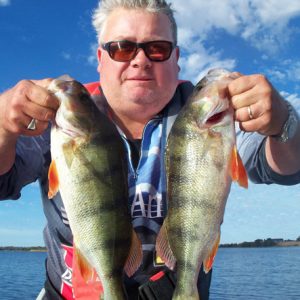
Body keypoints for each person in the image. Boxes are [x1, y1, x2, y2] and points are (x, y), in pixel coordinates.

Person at [1, 0, 300, 299]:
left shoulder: (208, 119)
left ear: (176, 58)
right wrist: (2, 127)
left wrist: (282, 122)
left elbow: (287, 167)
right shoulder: (60, 121)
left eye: (157, 48)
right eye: (122, 48)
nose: (140, 60)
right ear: (100, 58)